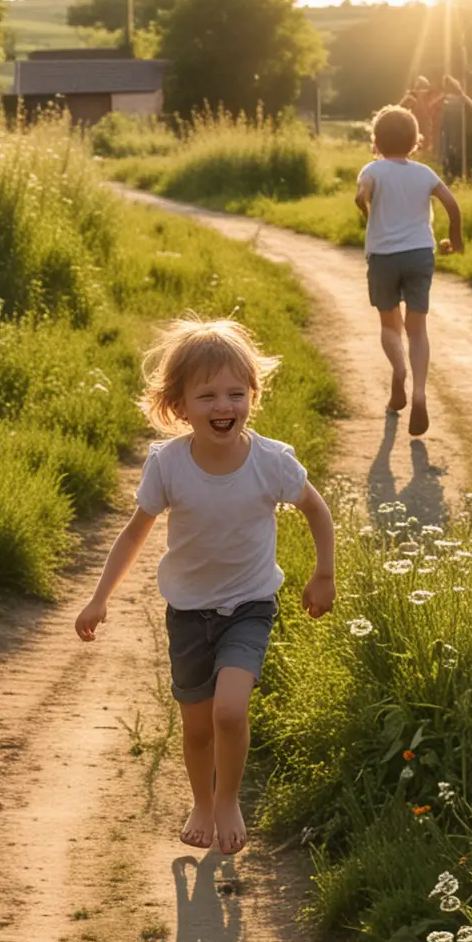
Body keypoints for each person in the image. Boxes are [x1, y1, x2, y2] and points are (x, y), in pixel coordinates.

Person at [74, 317, 337, 855]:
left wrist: (323, 571)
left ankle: (229, 799)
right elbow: (133, 535)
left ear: (252, 396)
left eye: (236, 393)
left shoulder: (271, 463)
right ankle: (200, 798)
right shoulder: (168, 467)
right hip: (189, 613)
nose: (224, 406)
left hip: (250, 604)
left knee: (228, 711)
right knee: (196, 728)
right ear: (178, 405)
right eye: (208, 395)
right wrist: (100, 597)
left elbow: (317, 510)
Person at [355, 103, 465, 438]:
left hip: (384, 256)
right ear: (416, 141)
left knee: (391, 325)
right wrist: (455, 236)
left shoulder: (372, 170)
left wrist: (365, 209)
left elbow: (362, 195)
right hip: (419, 254)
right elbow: (451, 202)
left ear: (376, 140)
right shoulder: (424, 174)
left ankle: (399, 370)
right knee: (417, 329)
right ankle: (419, 393)